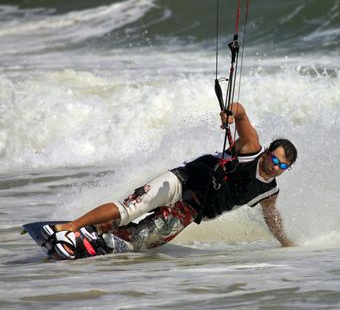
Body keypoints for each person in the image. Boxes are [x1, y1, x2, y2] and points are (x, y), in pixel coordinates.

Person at [43, 102, 297, 260]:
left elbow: (271, 216)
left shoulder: (269, 191)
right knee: (129, 209)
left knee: (138, 243)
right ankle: (71, 227)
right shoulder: (251, 148)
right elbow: (241, 112)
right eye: (275, 159)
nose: (276, 167)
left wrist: (285, 242)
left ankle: (97, 237)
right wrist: (231, 113)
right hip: (181, 182)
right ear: (266, 153)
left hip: (191, 210)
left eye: (283, 165)